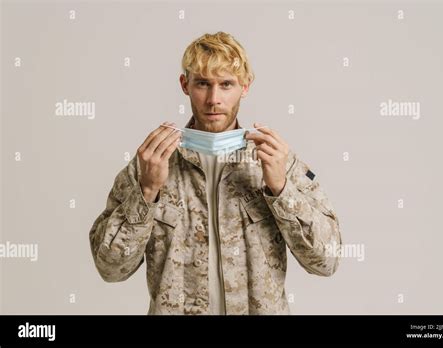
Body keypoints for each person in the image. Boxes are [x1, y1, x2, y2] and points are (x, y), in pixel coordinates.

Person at [89, 31, 342, 315]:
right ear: (185, 85)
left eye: (226, 84)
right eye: (203, 84)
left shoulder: (274, 160)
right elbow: (110, 269)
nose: (213, 99)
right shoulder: (152, 162)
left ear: (245, 86)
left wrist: (281, 189)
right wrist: (147, 192)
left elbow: (326, 261)